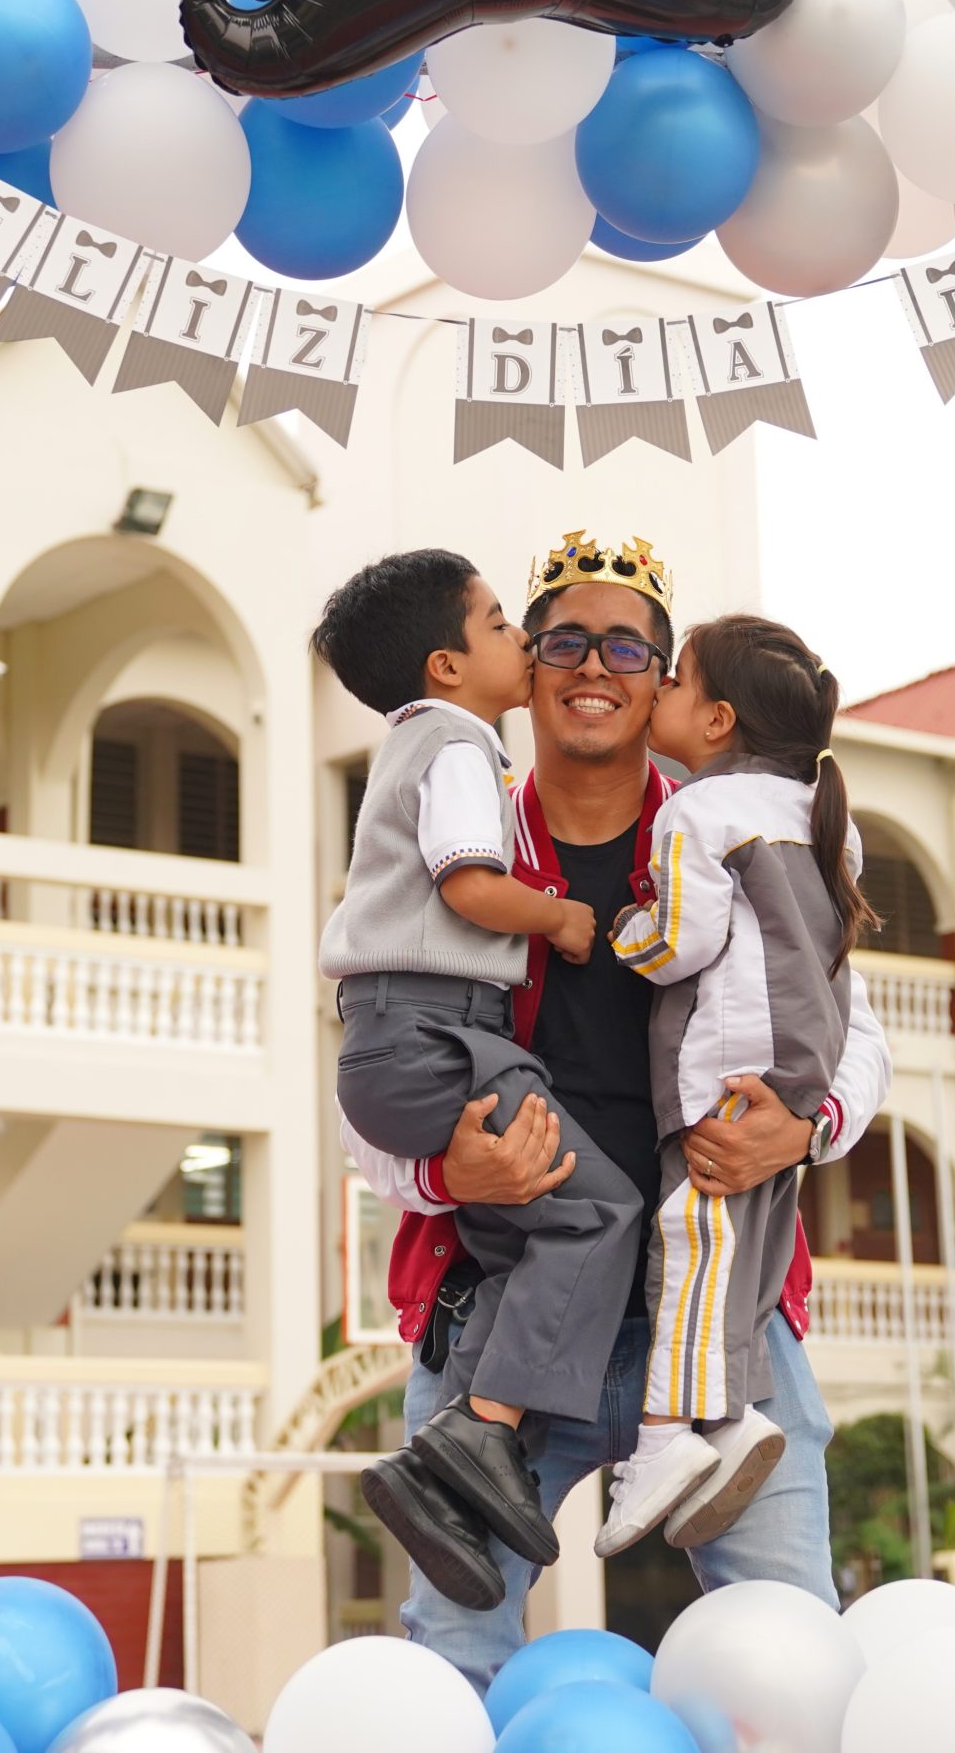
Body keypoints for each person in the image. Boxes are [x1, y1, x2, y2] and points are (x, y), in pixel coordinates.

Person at [341, 531, 894, 1692]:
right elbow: (375, 1067)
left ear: (669, 689)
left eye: (628, 648)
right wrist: (446, 1176)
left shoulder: (741, 827)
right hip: (501, 1317)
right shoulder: (458, 833)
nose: (594, 666)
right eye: (562, 641)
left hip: (723, 1326)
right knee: (454, 1667)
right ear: (524, 667)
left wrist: (806, 1129)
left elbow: (856, 1032)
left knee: (794, 1663)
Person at [313, 550, 646, 1612]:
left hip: (392, 1035)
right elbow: (467, 882)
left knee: (521, 1243)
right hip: (438, 1035)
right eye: (504, 624)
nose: (524, 642)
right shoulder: (460, 747)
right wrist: (557, 917)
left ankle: (443, 1474)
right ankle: (483, 1431)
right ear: (449, 665)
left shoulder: (415, 744)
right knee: (599, 1211)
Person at [595, 614, 879, 1558]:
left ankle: (664, 1437)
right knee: (746, 1255)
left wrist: (624, 933)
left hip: (723, 1067)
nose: (660, 691)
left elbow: (682, 941)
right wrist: (810, 1120)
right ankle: (734, 1414)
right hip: (796, 1076)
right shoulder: (825, 821)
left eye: (674, 678)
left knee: (693, 1241)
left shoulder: (697, 811)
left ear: (717, 720)